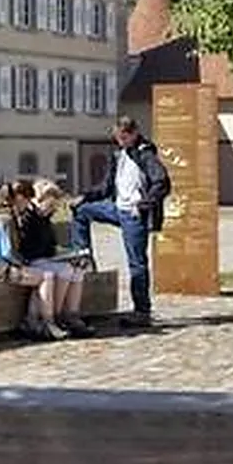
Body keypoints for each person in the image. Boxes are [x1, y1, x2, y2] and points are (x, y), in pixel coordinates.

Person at [69, 115, 170, 328]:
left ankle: (142, 310)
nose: (120, 141)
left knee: (136, 263)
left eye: (124, 137)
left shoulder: (145, 154)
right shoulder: (119, 155)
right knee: (82, 211)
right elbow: (106, 188)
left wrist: (145, 204)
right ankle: (83, 256)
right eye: (117, 138)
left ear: (133, 133)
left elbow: (162, 182)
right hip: (116, 208)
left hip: (133, 214)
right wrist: (85, 197)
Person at [0, 180, 71, 341]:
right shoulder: (6, 219)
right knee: (45, 277)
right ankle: (47, 322)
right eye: (27, 200)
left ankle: (33, 321)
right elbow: (7, 252)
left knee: (40, 275)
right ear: (18, 198)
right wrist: (23, 263)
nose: (27, 205)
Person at [17, 178, 95, 337]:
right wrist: (56, 256)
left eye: (54, 205)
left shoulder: (45, 219)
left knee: (78, 269)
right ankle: (55, 316)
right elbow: (28, 248)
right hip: (32, 260)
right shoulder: (27, 217)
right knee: (64, 270)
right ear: (40, 200)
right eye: (50, 204)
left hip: (45, 259)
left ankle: (71, 314)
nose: (52, 209)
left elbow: (51, 245)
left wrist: (68, 254)